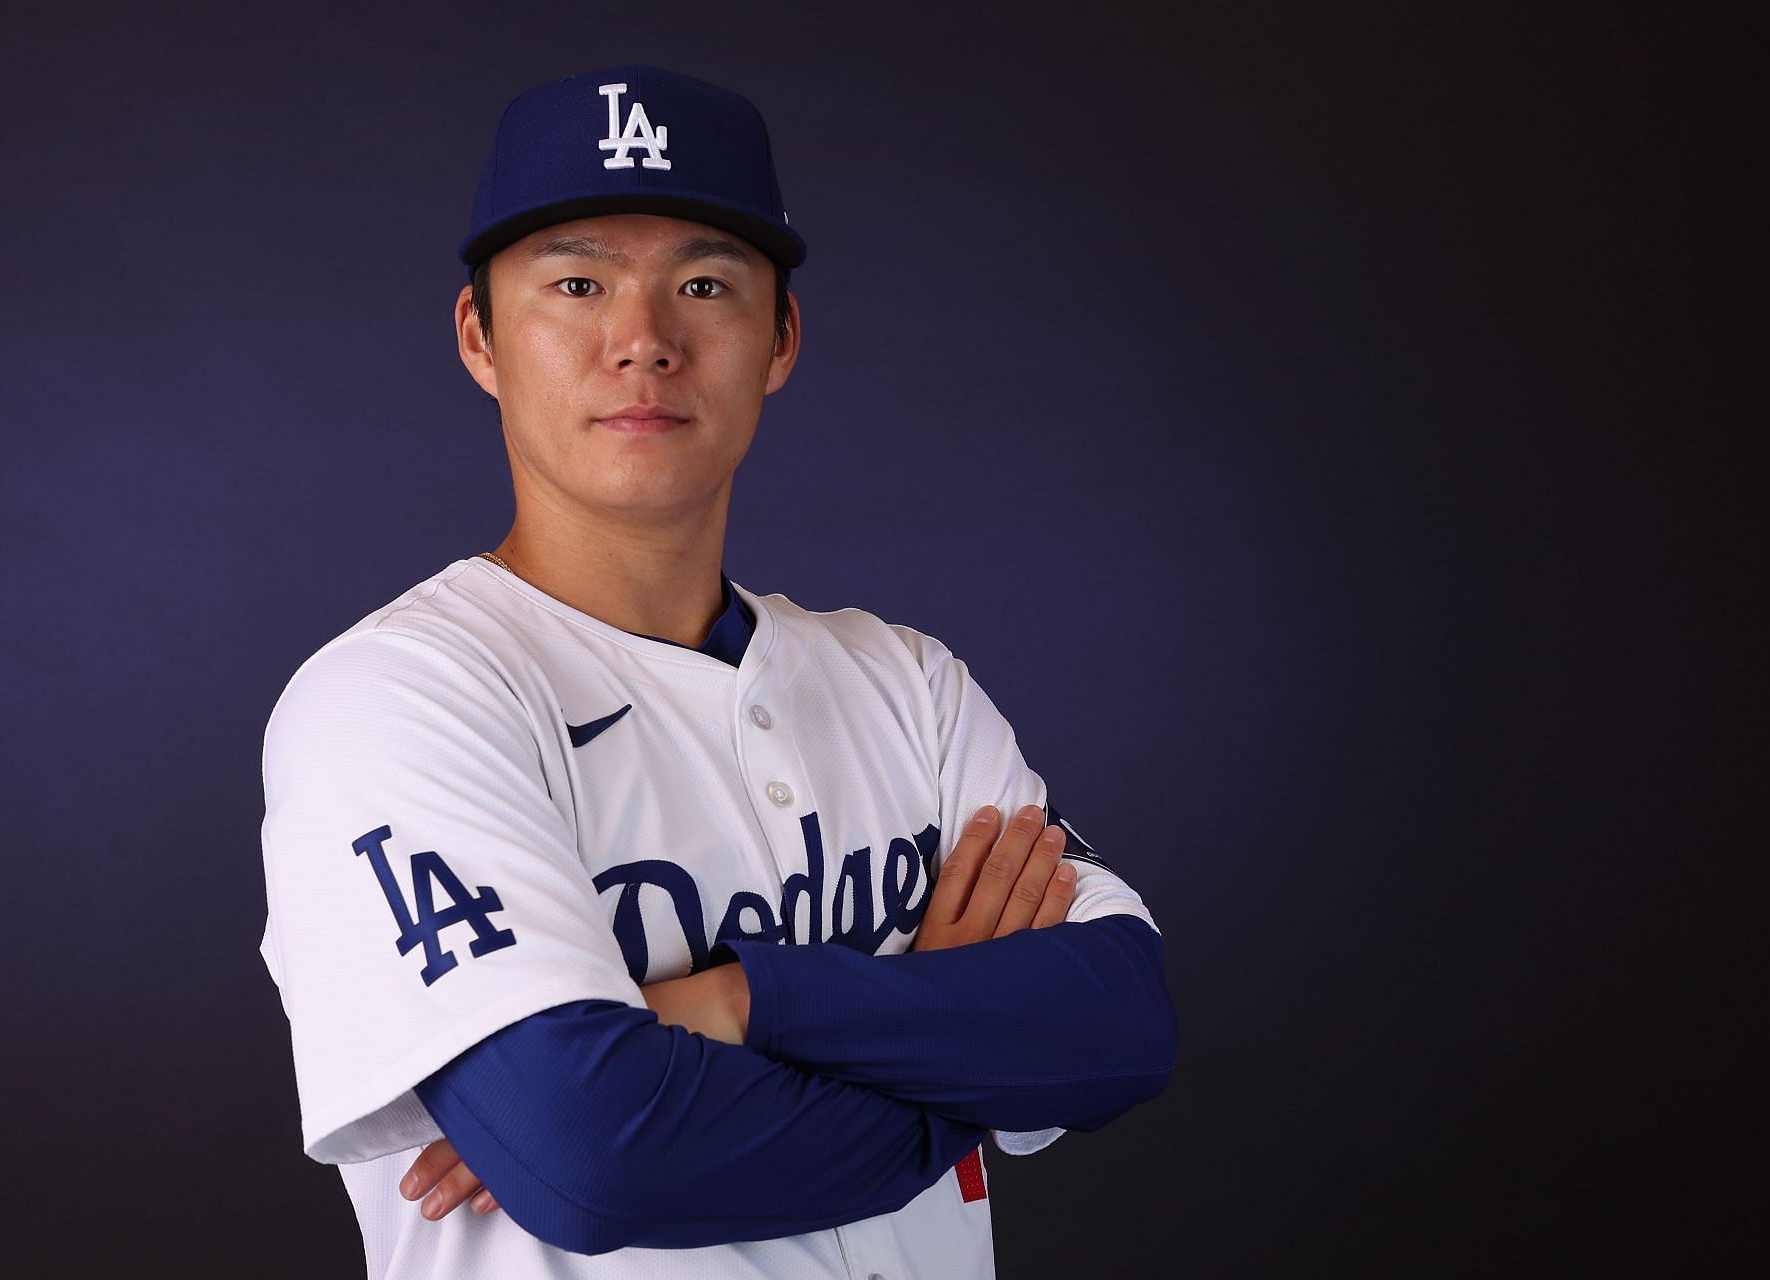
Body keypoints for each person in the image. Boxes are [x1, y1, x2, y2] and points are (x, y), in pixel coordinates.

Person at [258, 65, 1175, 1278]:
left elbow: (1116, 1021)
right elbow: (594, 1154)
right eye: (578, 283)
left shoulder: (909, 684)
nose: (642, 342)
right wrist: (942, 1029)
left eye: (704, 284)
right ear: (481, 335)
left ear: (780, 337)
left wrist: (738, 1003)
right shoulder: (394, 701)